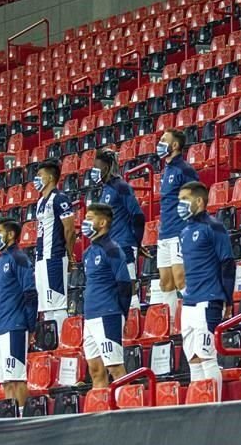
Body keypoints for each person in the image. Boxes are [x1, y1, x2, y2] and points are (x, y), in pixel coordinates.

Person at [178, 182, 235, 400]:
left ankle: (214, 407)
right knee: (192, 358)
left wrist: (227, 299)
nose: (180, 204)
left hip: (209, 300)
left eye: (184, 199)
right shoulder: (185, 231)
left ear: (199, 201)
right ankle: (199, 405)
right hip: (190, 302)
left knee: (207, 356)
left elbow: (227, 263)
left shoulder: (214, 227)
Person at [81, 203, 132, 389]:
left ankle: (128, 411)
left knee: (115, 367)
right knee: (95, 369)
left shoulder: (112, 249)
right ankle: (101, 413)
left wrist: (122, 315)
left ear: (102, 223)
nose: (85, 222)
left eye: (89, 218)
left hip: (108, 315)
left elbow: (125, 285)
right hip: (90, 317)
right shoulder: (87, 253)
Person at [0, 219, 38, 414]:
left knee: (17, 378)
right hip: (0, 327)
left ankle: (22, 421)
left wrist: (31, 327)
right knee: (6, 381)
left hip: (15, 326)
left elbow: (30, 294)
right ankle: (11, 419)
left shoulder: (19, 258)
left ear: (10, 235)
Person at [91, 149, 146, 309]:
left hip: (124, 244)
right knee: (116, 286)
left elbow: (138, 215)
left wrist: (136, 243)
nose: (94, 171)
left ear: (107, 168)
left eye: (98, 167)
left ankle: (133, 322)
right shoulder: (106, 188)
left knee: (129, 285)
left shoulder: (121, 186)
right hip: (111, 246)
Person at [157, 129, 199, 322]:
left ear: (175, 145)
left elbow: (196, 197)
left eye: (164, 139)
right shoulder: (165, 171)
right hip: (164, 233)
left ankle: (195, 316)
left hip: (179, 231)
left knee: (181, 278)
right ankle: (171, 323)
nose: (159, 142)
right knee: (166, 282)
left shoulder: (184, 169)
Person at [34, 160, 76, 336]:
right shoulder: (40, 201)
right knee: (46, 306)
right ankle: (51, 342)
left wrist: (69, 254)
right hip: (41, 258)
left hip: (55, 256)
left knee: (57, 304)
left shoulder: (60, 199)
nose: (36, 179)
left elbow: (70, 229)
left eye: (39, 176)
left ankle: (62, 340)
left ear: (50, 177)